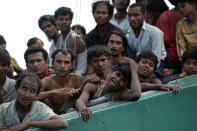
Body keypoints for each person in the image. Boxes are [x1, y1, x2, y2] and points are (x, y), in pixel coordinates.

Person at [76, 62, 141, 122]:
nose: (118, 80)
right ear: (111, 72)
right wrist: (82, 108)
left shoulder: (119, 94)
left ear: (125, 86)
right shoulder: (94, 86)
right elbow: (80, 100)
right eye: (118, 75)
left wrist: (134, 71)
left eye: (123, 81)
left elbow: (136, 94)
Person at [0, 73, 67, 130]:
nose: (27, 95)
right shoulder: (3, 109)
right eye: (24, 88)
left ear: (36, 95)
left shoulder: (40, 108)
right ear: (17, 89)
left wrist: (29, 124)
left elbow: (62, 122)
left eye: (33, 91)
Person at [37, 49, 84, 114]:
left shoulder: (78, 79)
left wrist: (77, 93)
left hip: (74, 117)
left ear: (72, 65)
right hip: (53, 119)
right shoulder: (47, 81)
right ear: (53, 63)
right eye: (59, 62)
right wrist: (55, 92)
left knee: (72, 107)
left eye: (66, 62)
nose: (62, 66)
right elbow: (31, 96)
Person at [126, 3, 166, 77]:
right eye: (129, 15)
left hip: (157, 65)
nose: (132, 19)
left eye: (136, 15)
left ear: (144, 15)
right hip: (139, 64)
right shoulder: (128, 35)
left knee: (152, 79)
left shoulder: (155, 32)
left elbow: (157, 58)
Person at [54, 7, 87, 75]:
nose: (64, 22)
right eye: (61, 19)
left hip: (77, 76)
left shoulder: (74, 39)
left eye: (67, 19)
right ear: (56, 21)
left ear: (71, 21)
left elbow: (74, 68)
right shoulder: (59, 38)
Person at [156, 0, 182, 77]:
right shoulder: (182, 19)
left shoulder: (165, 16)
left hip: (173, 57)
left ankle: (157, 75)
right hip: (181, 57)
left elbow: (166, 40)